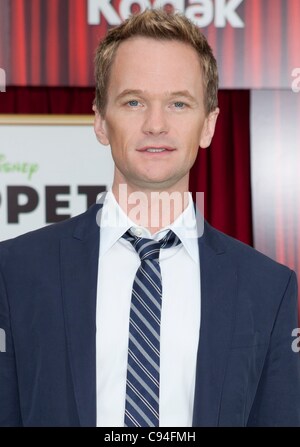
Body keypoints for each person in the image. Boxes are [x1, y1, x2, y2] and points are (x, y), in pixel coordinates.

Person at [0, 9, 299, 428]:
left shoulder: (268, 289)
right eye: (134, 101)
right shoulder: (15, 271)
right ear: (101, 121)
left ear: (208, 125)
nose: (155, 124)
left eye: (178, 103)